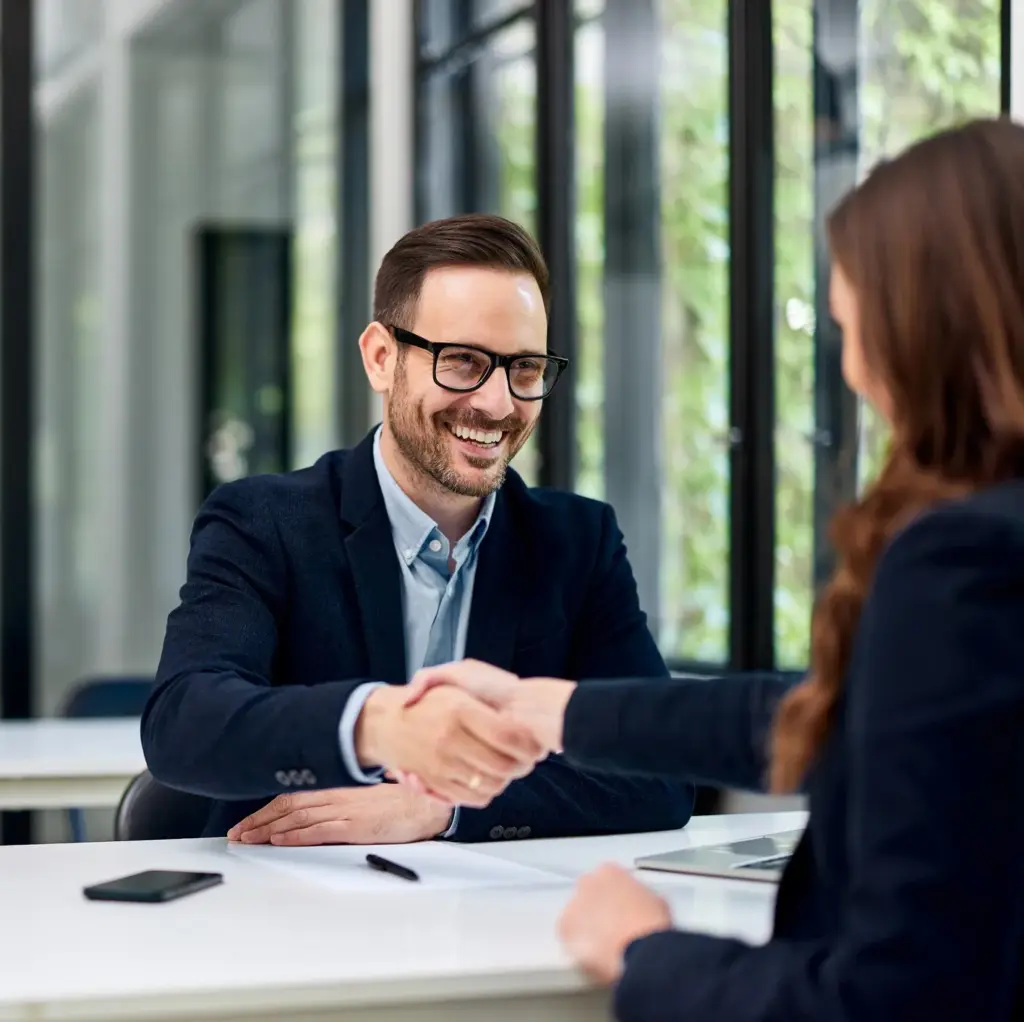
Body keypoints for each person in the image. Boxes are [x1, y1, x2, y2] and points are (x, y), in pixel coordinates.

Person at [398, 119, 1024, 1021]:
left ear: (923, 332)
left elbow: (894, 1000)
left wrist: (646, 952)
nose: (850, 370)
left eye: (855, 331)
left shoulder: (961, 562)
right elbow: (842, 715)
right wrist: (555, 709)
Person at [142, 212, 693, 844]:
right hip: (286, 914)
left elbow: (660, 766)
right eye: (462, 361)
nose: (497, 403)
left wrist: (442, 805)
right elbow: (183, 725)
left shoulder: (577, 543)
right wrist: (378, 726)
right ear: (381, 358)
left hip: (485, 919)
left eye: (526, 369)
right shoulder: (262, 522)